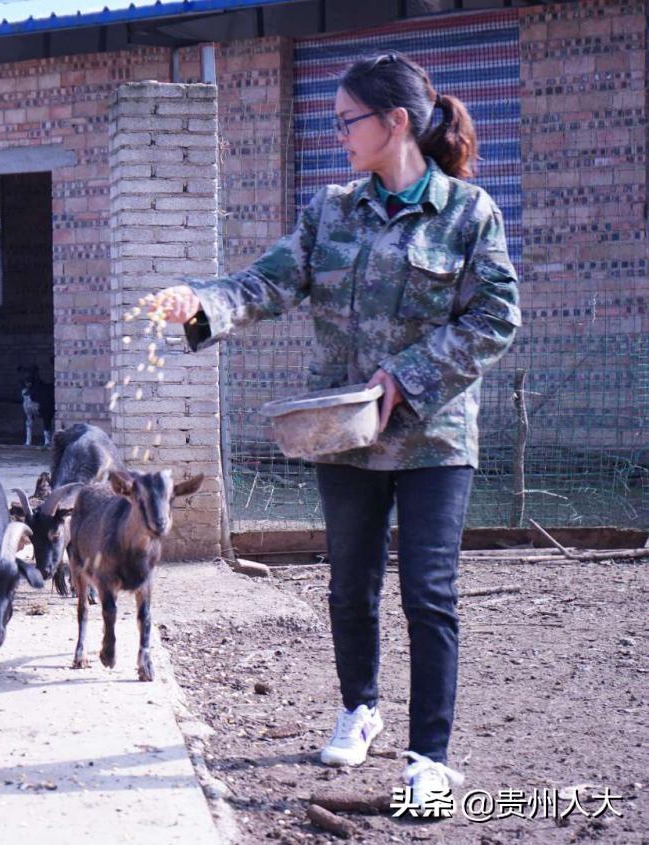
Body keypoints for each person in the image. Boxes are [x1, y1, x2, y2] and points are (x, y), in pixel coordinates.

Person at [152, 52, 520, 815]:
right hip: (343, 435)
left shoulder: (467, 212)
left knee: (428, 592)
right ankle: (359, 705)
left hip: (433, 440)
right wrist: (198, 303)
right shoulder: (330, 211)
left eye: (347, 120)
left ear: (394, 123)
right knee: (348, 585)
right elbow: (264, 283)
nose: (337, 133)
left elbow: (495, 318)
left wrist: (404, 378)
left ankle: (429, 757)